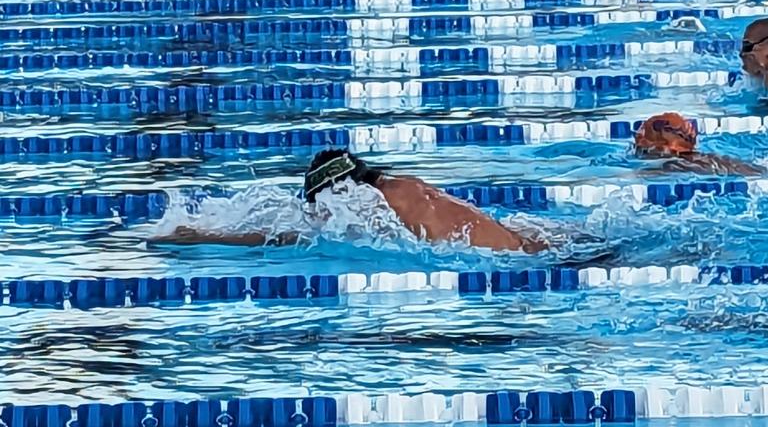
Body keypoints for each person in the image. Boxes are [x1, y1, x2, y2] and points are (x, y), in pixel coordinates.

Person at [156, 150, 546, 253]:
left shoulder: (364, 203)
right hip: (530, 244)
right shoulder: (406, 186)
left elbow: (288, 238)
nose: (320, 214)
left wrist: (205, 236)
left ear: (339, 190)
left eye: (319, 204)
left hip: (514, 264)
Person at [634, 112, 765, 176]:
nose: (638, 143)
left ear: (662, 145)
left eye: (643, 139)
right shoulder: (721, 160)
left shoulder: (673, 166)